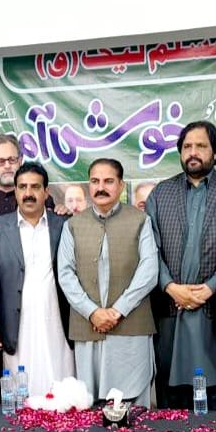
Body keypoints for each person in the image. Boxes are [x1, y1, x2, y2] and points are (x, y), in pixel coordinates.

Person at [147, 121, 216, 410]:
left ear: (215, 152)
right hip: (170, 310)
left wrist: (212, 286)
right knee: (171, 402)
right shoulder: (161, 193)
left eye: (201, 146)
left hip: (215, 312)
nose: (193, 152)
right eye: (187, 146)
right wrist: (169, 286)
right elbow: (149, 250)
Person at [57, 158, 158, 406]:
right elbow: (65, 274)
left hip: (130, 326)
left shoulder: (141, 220)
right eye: (95, 181)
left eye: (108, 181)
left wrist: (117, 311)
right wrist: (93, 312)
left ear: (121, 186)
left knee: (133, 406)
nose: (101, 187)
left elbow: (149, 271)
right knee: (90, 402)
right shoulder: (72, 225)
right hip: (88, 326)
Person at [0, 162, 74, 396]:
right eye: (22, 187)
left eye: (35, 187)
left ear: (46, 192)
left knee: (61, 383)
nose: (28, 193)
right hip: (15, 323)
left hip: (57, 319)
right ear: (15, 191)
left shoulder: (64, 225)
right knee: (21, 386)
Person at [0, 134, 55, 237]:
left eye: (12, 160)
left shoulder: (38, 197)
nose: (7, 166)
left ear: (20, 161)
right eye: (0, 162)